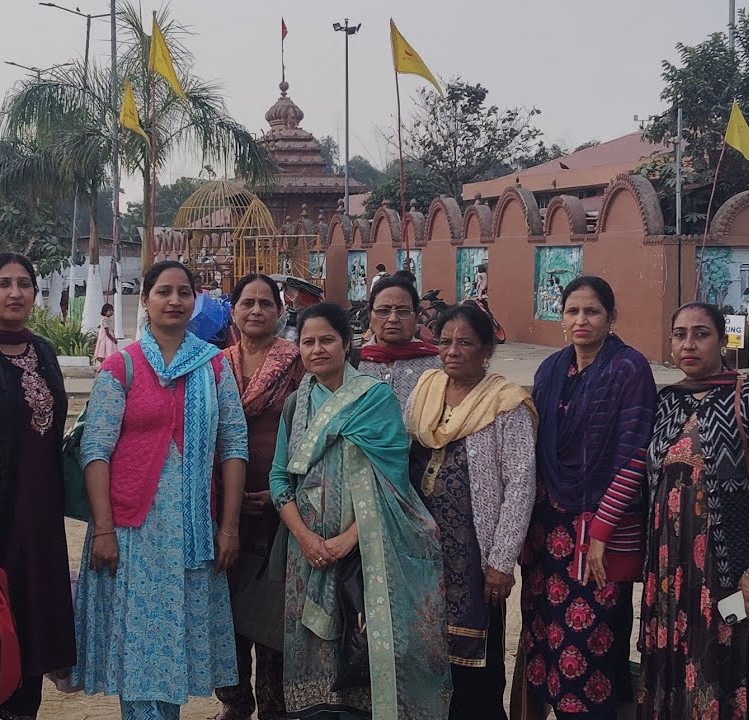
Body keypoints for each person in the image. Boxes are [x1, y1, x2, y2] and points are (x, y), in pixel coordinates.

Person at [75, 260, 248, 720]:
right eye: (164, 292)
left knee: (172, 646)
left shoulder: (213, 366)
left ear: (196, 301)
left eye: (184, 292)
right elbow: (95, 449)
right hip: (133, 529)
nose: (174, 301)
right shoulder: (122, 365)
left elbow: (233, 444)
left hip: (192, 532)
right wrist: (105, 529)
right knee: (137, 647)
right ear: (146, 300)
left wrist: (228, 527)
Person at [269, 301, 449, 720]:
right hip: (306, 556)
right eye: (308, 341)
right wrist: (306, 538)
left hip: (367, 552)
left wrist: (349, 540)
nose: (316, 350)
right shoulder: (297, 405)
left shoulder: (376, 400)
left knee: (361, 649)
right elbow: (280, 478)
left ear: (347, 343)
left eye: (327, 340)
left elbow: (393, 483)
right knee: (311, 662)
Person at [637, 302, 749, 719]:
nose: (689, 344)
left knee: (728, 660)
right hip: (668, 572)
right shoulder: (665, 401)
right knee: (671, 663)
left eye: (701, 334)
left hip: (726, 570)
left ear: (723, 341)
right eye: (680, 334)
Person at [518, 276, 656, 719]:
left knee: (588, 649)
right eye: (572, 311)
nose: (581, 320)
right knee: (545, 641)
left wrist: (601, 530)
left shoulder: (628, 369)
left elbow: (634, 454)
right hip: (547, 531)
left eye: (592, 311)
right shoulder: (551, 369)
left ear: (611, 318)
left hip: (598, 531)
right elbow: (536, 449)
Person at [406, 304, 536, 720]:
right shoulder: (425, 390)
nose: (452, 351)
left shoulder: (505, 403)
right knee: (423, 654)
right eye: (445, 341)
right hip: (421, 556)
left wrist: (500, 563)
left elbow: (520, 485)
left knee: (475, 666)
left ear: (486, 350)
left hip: (475, 562)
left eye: (465, 342)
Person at [0, 253, 76, 719]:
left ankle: (23, 710)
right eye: (3, 284)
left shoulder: (43, 350)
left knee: (33, 613)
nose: (15, 293)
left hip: (41, 508)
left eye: (24, 283)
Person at [215, 273, 305, 720]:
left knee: (273, 612)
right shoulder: (215, 366)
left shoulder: (298, 363)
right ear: (232, 311)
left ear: (278, 311)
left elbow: (311, 433)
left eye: (265, 303)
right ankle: (234, 704)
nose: (255, 310)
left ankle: (274, 707)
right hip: (224, 510)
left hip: (282, 510)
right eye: (246, 302)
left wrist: (280, 492)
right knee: (224, 610)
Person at [356, 276, 440, 404]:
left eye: (403, 311)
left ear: (417, 316)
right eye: (383, 311)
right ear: (369, 315)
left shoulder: (438, 366)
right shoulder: (352, 364)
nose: (393, 319)